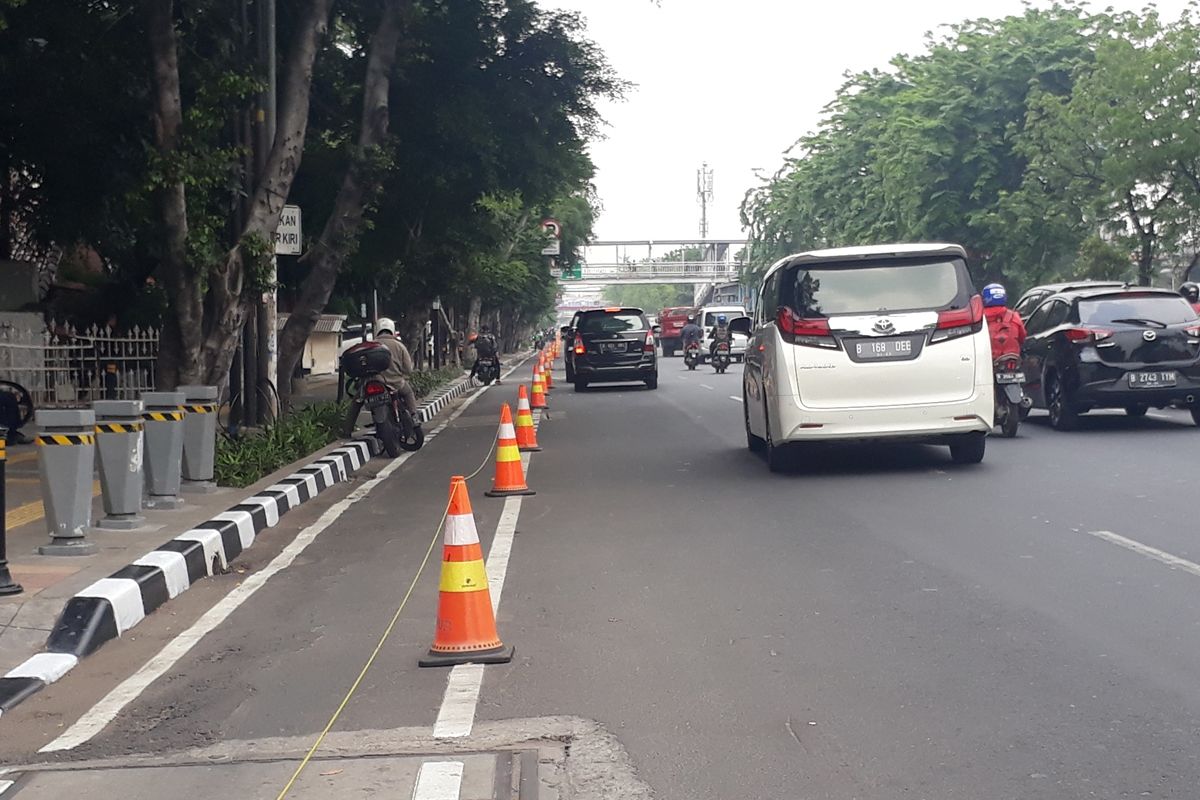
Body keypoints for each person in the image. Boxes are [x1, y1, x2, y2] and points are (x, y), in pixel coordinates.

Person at [375, 317, 420, 428]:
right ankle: (414, 416)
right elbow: (408, 368)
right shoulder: (399, 346)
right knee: (409, 393)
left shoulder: (372, 345)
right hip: (396, 383)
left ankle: (347, 429)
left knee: (357, 402)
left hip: (376, 382)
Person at [981, 283, 1026, 359]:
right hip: (1012, 359)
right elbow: (1022, 336)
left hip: (989, 359)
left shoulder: (979, 317)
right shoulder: (1014, 316)